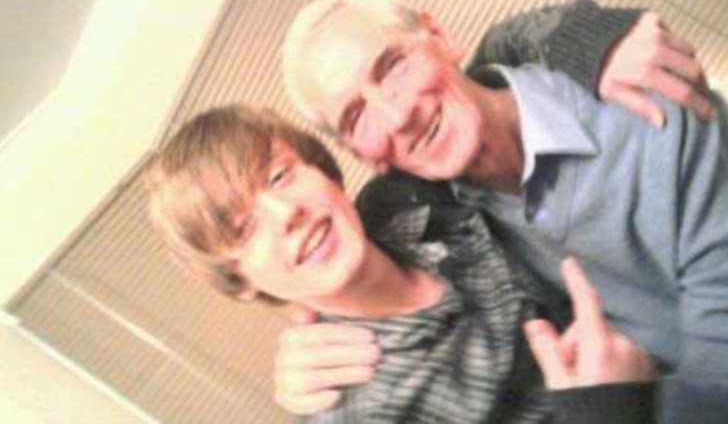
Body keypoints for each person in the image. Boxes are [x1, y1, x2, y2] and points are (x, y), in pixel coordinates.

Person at [279, 0, 728, 424]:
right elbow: (331, 249)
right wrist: (304, 346)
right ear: (362, 156)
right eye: (356, 117)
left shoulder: (642, 100)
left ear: (439, 36)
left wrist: (618, 412)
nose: (396, 117)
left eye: (394, 65)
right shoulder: (427, 221)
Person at [146, 105, 658, 423]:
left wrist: (597, 40)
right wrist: (609, 409)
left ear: (322, 172)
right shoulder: (356, 411)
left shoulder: (403, 201)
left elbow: (460, 89)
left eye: (279, 176)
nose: (286, 214)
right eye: (244, 229)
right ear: (239, 281)